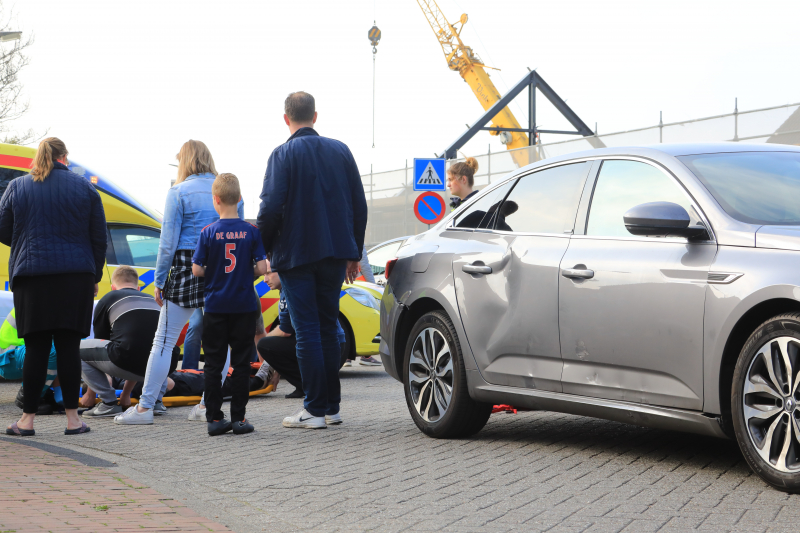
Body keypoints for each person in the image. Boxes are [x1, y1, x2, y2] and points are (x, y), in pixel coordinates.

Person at [257, 91, 367, 429]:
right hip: (335, 252)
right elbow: (358, 204)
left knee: (306, 331)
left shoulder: (282, 154)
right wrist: (354, 252)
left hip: (296, 254)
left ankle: (314, 409)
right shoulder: (341, 150)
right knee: (327, 327)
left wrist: (265, 251)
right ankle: (331, 408)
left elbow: (270, 209)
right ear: (315, 116)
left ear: (286, 118)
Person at [114, 140, 244, 425]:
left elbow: (167, 241)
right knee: (221, 343)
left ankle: (145, 408)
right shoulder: (229, 191)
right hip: (223, 269)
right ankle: (207, 406)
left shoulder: (178, 192)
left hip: (187, 264)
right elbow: (238, 234)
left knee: (163, 340)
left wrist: (160, 279)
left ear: (184, 161)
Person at [0, 137, 106, 436]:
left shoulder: (17, 187)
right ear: (65, 157)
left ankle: (26, 421)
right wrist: (95, 276)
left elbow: (3, 228)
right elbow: (99, 238)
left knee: (36, 349)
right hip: (76, 277)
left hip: (32, 278)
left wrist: (25, 241)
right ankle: (73, 420)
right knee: (69, 348)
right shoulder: (85, 188)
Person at [192, 173, 268, 436]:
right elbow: (262, 267)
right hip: (244, 306)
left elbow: (196, 269)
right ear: (240, 199)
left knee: (213, 365)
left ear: (215, 200)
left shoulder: (208, 232)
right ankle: (239, 419)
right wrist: (245, 271)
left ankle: (214, 419)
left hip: (215, 306)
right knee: (242, 363)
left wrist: (215, 271)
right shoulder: (251, 231)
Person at [79, 265, 180, 418]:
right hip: (166, 365)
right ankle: (156, 402)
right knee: (157, 350)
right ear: (138, 288)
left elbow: (102, 346)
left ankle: (109, 403)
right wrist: (126, 394)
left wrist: (90, 393)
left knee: (77, 349)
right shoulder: (154, 300)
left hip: (129, 361)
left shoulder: (109, 298)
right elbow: (140, 344)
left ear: (113, 287)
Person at [257, 273, 346, 402]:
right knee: (275, 344)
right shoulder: (290, 287)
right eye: (264, 275)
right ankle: (309, 386)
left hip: (325, 345)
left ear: (281, 270)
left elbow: (285, 332)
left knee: (265, 344)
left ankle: (312, 387)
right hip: (332, 343)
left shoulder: (290, 290)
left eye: (269, 273)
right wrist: (276, 369)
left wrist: (264, 340)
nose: (265, 279)